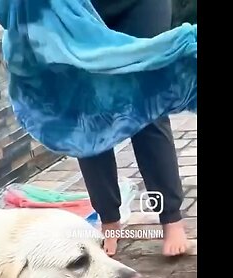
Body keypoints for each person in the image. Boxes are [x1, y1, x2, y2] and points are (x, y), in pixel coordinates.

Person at [78, 0, 189, 257]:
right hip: (80, 8)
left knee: (146, 104)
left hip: (141, 5)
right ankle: (108, 218)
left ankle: (171, 218)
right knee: (86, 111)